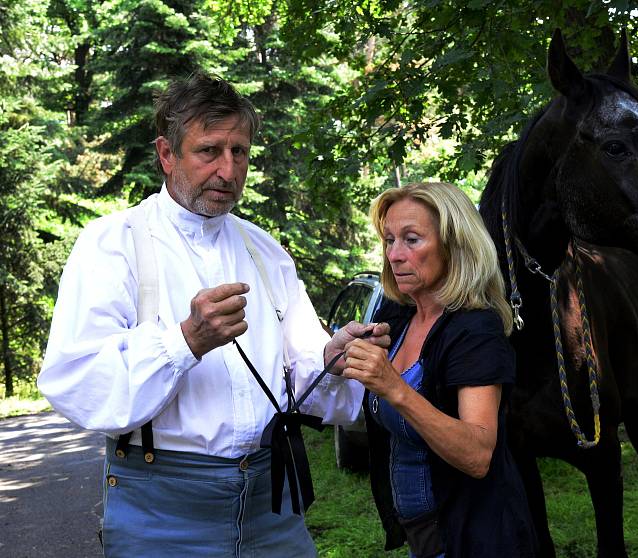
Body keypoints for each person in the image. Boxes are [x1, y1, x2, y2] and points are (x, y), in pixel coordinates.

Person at [38, 72, 388, 557]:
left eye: (239, 152)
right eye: (209, 151)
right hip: (161, 511)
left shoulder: (265, 251)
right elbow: (74, 380)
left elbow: (303, 370)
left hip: (273, 507)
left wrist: (332, 358)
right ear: (166, 154)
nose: (229, 170)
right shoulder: (112, 244)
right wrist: (184, 342)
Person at [341, 182, 537, 557]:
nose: (394, 255)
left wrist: (394, 387)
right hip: (425, 535)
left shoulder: (476, 329)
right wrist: (341, 355)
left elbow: (478, 456)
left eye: (411, 240)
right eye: (389, 240)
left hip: (477, 538)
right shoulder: (397, 316)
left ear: (454, 246)